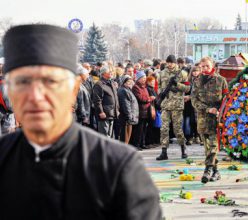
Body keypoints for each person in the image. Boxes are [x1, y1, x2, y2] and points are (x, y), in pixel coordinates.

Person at [0, 24, 161, 219]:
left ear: (73, 88)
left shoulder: (117, 166)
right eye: (22, 82)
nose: (36, 95)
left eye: (50, 82)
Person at [192, 56, 228, 183]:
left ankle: (207, 170)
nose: (205, 69)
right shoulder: (197, 81)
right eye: (202, 67)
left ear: (212, 66)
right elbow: (194, 100)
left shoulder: (221, 80)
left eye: (207, 66)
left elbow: (226, 98)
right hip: (202, 119)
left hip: (216, 120)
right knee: (207, 148)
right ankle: (216, 171)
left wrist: (220, 111)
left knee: (213, 146)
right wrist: (207, 109)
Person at [156, 55, 190, 160]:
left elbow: (188, 88)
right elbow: (159, 87)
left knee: (177, 129)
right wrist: (161, 94)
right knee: (164, 128)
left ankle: (183, 148)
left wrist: (177, 85)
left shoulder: (183, 74)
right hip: (165, 105)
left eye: (171, 62)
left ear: (175, 63)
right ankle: (164, 151)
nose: (169, 64)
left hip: (177, 105)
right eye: (168, 62)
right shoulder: (161, 74)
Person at [92, 66, 120, 138]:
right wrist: (101, 111)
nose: (111, 73)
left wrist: (117, 110)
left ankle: (108, 149)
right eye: (109, 71)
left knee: (110, 135)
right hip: (104, 114)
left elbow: (115, 97)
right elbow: (97, 100)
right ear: (103, 73)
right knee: (104, 135)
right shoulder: (99, 84)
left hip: (112, 113)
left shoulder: (112, 83)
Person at [132, 71, 155, 150]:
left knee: (144, 129)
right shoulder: (135, 87)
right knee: (139, 129)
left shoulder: (144, 87)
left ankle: (142, 143)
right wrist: (149, 99)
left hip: (146, 111)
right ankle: (137, 144)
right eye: (142, 78)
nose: (144, 79)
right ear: (138, 79)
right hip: (140, 111)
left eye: (145, 78)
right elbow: (140, 98)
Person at [118, 75, 139, 145]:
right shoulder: (123, 90)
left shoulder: (127, 89)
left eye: (130, 81)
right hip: (126, 118)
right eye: (128, 81)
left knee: (127, 137)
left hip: (129, 117)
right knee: (125, 137)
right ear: (124, 82)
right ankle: (123, 153)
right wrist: (129, 116)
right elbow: (125, 104)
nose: (129, 83)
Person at [145, 76, 160, 147]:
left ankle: (152, 141)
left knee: (153, 126)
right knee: (151, 126)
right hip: (151, 110)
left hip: (153, 109)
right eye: (151, 82)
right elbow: (155, 100)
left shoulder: (152, 89)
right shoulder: (149, 89)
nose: (153, 83)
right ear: (148, 82)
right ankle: (150, 142)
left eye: (154, 82)